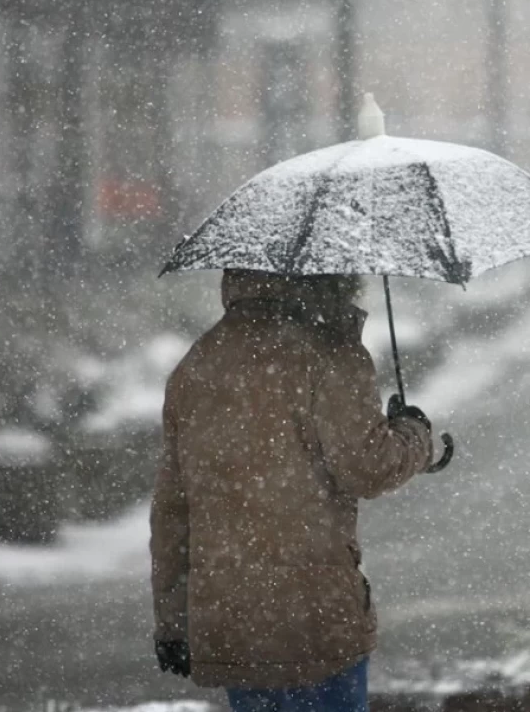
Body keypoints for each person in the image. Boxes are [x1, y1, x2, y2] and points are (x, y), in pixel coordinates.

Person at [150, 269, 436, 712]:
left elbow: (173, 509)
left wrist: (173, 621)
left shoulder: (200, 361)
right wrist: (414, 433)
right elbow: (369, 467)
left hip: (232, 618)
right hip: (315, 616)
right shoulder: (330, 353)